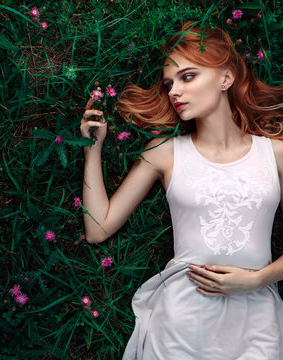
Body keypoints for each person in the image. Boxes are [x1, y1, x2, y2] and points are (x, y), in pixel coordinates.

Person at [80, 20, 283, 359]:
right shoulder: (165, 152)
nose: (174, 91)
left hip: (257, 317)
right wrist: (93, 150)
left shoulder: (275, 153)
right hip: (182, 320)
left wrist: (259, 279)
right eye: (169, 83)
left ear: (226, 78)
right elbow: (98, 228)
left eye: (188, 77)